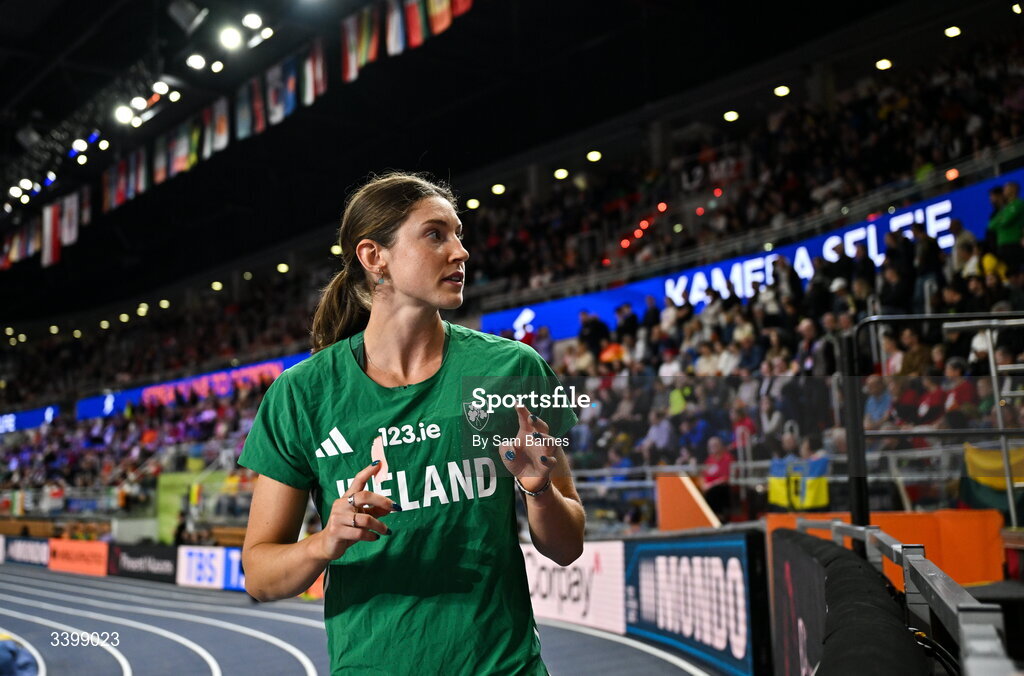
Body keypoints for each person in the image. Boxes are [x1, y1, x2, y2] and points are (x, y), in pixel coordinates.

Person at [238, 172, 585, 675]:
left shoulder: (510, 371)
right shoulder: (302, 394)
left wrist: (538, 491)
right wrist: (325, 541)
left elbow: (567, 545)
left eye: (459, 234)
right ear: (374, 257)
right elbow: (259, 576)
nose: (461, 251)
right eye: (435, 235)